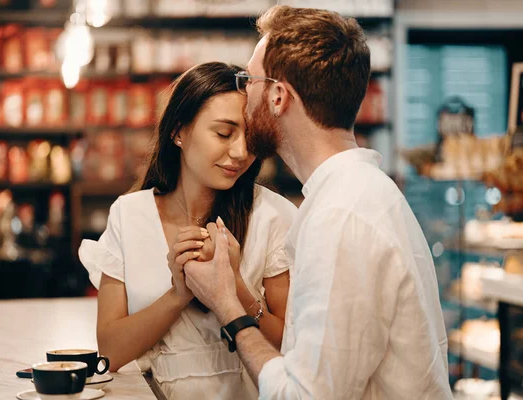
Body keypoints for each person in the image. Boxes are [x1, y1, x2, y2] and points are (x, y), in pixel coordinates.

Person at [184, 6, 453, 399]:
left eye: (249, 80)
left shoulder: (340, 217)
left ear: (278, 96)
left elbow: (304, 396)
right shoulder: (359, 194)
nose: (244, 95)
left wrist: (227, 304)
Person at [78, 62, 296, 400]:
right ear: (179, 131)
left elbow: (290, 347)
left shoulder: (273, 216)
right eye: (224, 134)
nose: (240, 153)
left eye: (250, 137)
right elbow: (110, 352)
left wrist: (232, 284)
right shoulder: (130, 215)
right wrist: (179, 293)